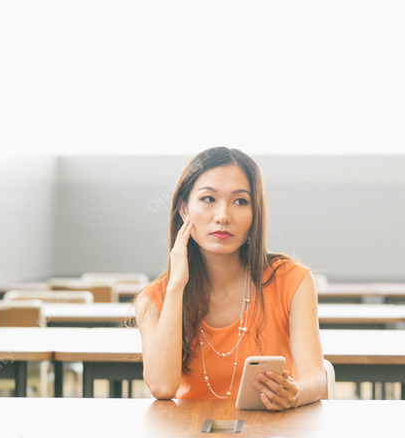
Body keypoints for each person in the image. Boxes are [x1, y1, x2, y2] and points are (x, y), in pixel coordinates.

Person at [136, 146, 326, 409]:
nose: (223, 216)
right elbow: (162, 387)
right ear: (183, 209)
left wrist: (296, 394)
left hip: (270, 436)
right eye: (208, 199)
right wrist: (177, 286)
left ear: (254, 215)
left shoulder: (292, 281)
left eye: (240, 202)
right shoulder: (153, 300)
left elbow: (315, 376)